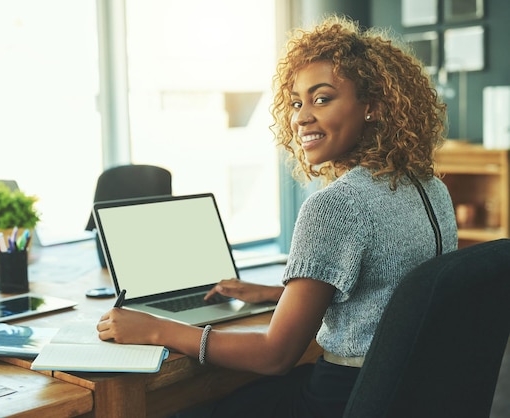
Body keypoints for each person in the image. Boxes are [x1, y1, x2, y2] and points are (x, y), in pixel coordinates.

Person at [97, 14, 458, 418]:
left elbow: (275, 355)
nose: (302, 117)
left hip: (341, 400)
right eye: (296, 102)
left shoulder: (338, 205)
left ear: (371, 106)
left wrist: (155, 329)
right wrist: (278, 295)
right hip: (406, 394)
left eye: (322, 98)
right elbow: (388, 292)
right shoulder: (427, 187)